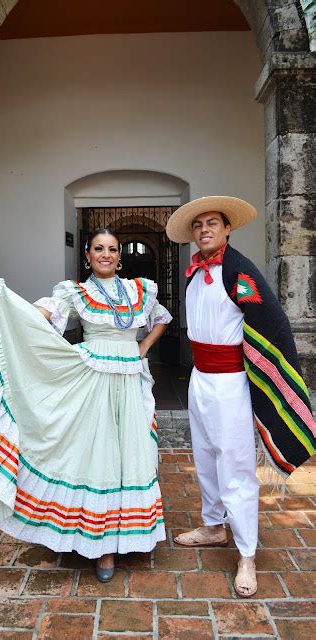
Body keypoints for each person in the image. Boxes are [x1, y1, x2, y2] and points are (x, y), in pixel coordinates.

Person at [0, 228, 172, 582]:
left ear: (120, 257)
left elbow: (162, 319)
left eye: (113, 249)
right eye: (98, 249)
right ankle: (101, 546)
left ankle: (130, 532)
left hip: (130, 379)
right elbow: (43, 314)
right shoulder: (76, 292)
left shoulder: (140, 289)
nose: (106, 254)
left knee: (130, 452)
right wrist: (12, 314)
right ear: (87, 255)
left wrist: (143, 348)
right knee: (99, 455)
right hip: (92, 378)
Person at [165, 196, 315, 597]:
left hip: (231, 381)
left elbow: (272, 322)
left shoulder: (238, 270)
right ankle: (214, 525)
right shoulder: (194, 273)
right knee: (205, 456)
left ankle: (246, 553)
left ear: (227, 228)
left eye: (212, 223)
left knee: (236, 464)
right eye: (198, 226)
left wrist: (262, 375)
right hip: (200, 378)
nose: (204, 231)